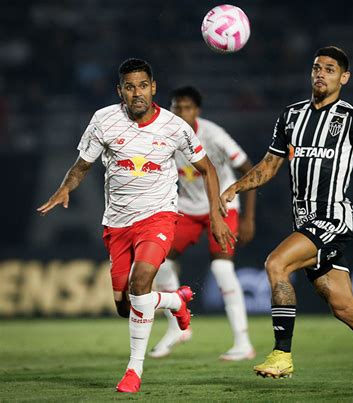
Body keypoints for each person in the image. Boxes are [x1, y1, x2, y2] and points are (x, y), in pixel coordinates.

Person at [221, 46, 353, 391]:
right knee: (345, 309)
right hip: (304, 223)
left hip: (333, 219)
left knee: (276, 264)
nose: (320, 73)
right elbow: (270, 166)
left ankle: (281, 355)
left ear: (343, 78)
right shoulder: (290, 116)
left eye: (330, 69)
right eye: (317, 68)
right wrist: (235, 189)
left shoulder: (352, 119)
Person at [37, 58, 236, 393]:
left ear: (153, 87)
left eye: (143, 85)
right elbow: (82, 165)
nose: (137, 92)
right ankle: (174, 301)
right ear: (120, 91)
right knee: (124, 306)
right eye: (130, 87)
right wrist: (64, 187)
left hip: (158, 216)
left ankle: (133, 370)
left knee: (141, 281)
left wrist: (216, 215)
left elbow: (208, 169)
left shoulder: (174, 127)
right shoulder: (103, 120)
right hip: (116, 223)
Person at [150, 86, 256, 361]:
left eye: (186, 107)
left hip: (222, 206)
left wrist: (248, 218)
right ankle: (177, 327)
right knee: (160, 262)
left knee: (221, 269)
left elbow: (250, 171)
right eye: (176, 107)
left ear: (197, 111)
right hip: (186, 208)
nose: (180, 112)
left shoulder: (214, 135)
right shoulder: (166, 135)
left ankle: (243, 343)